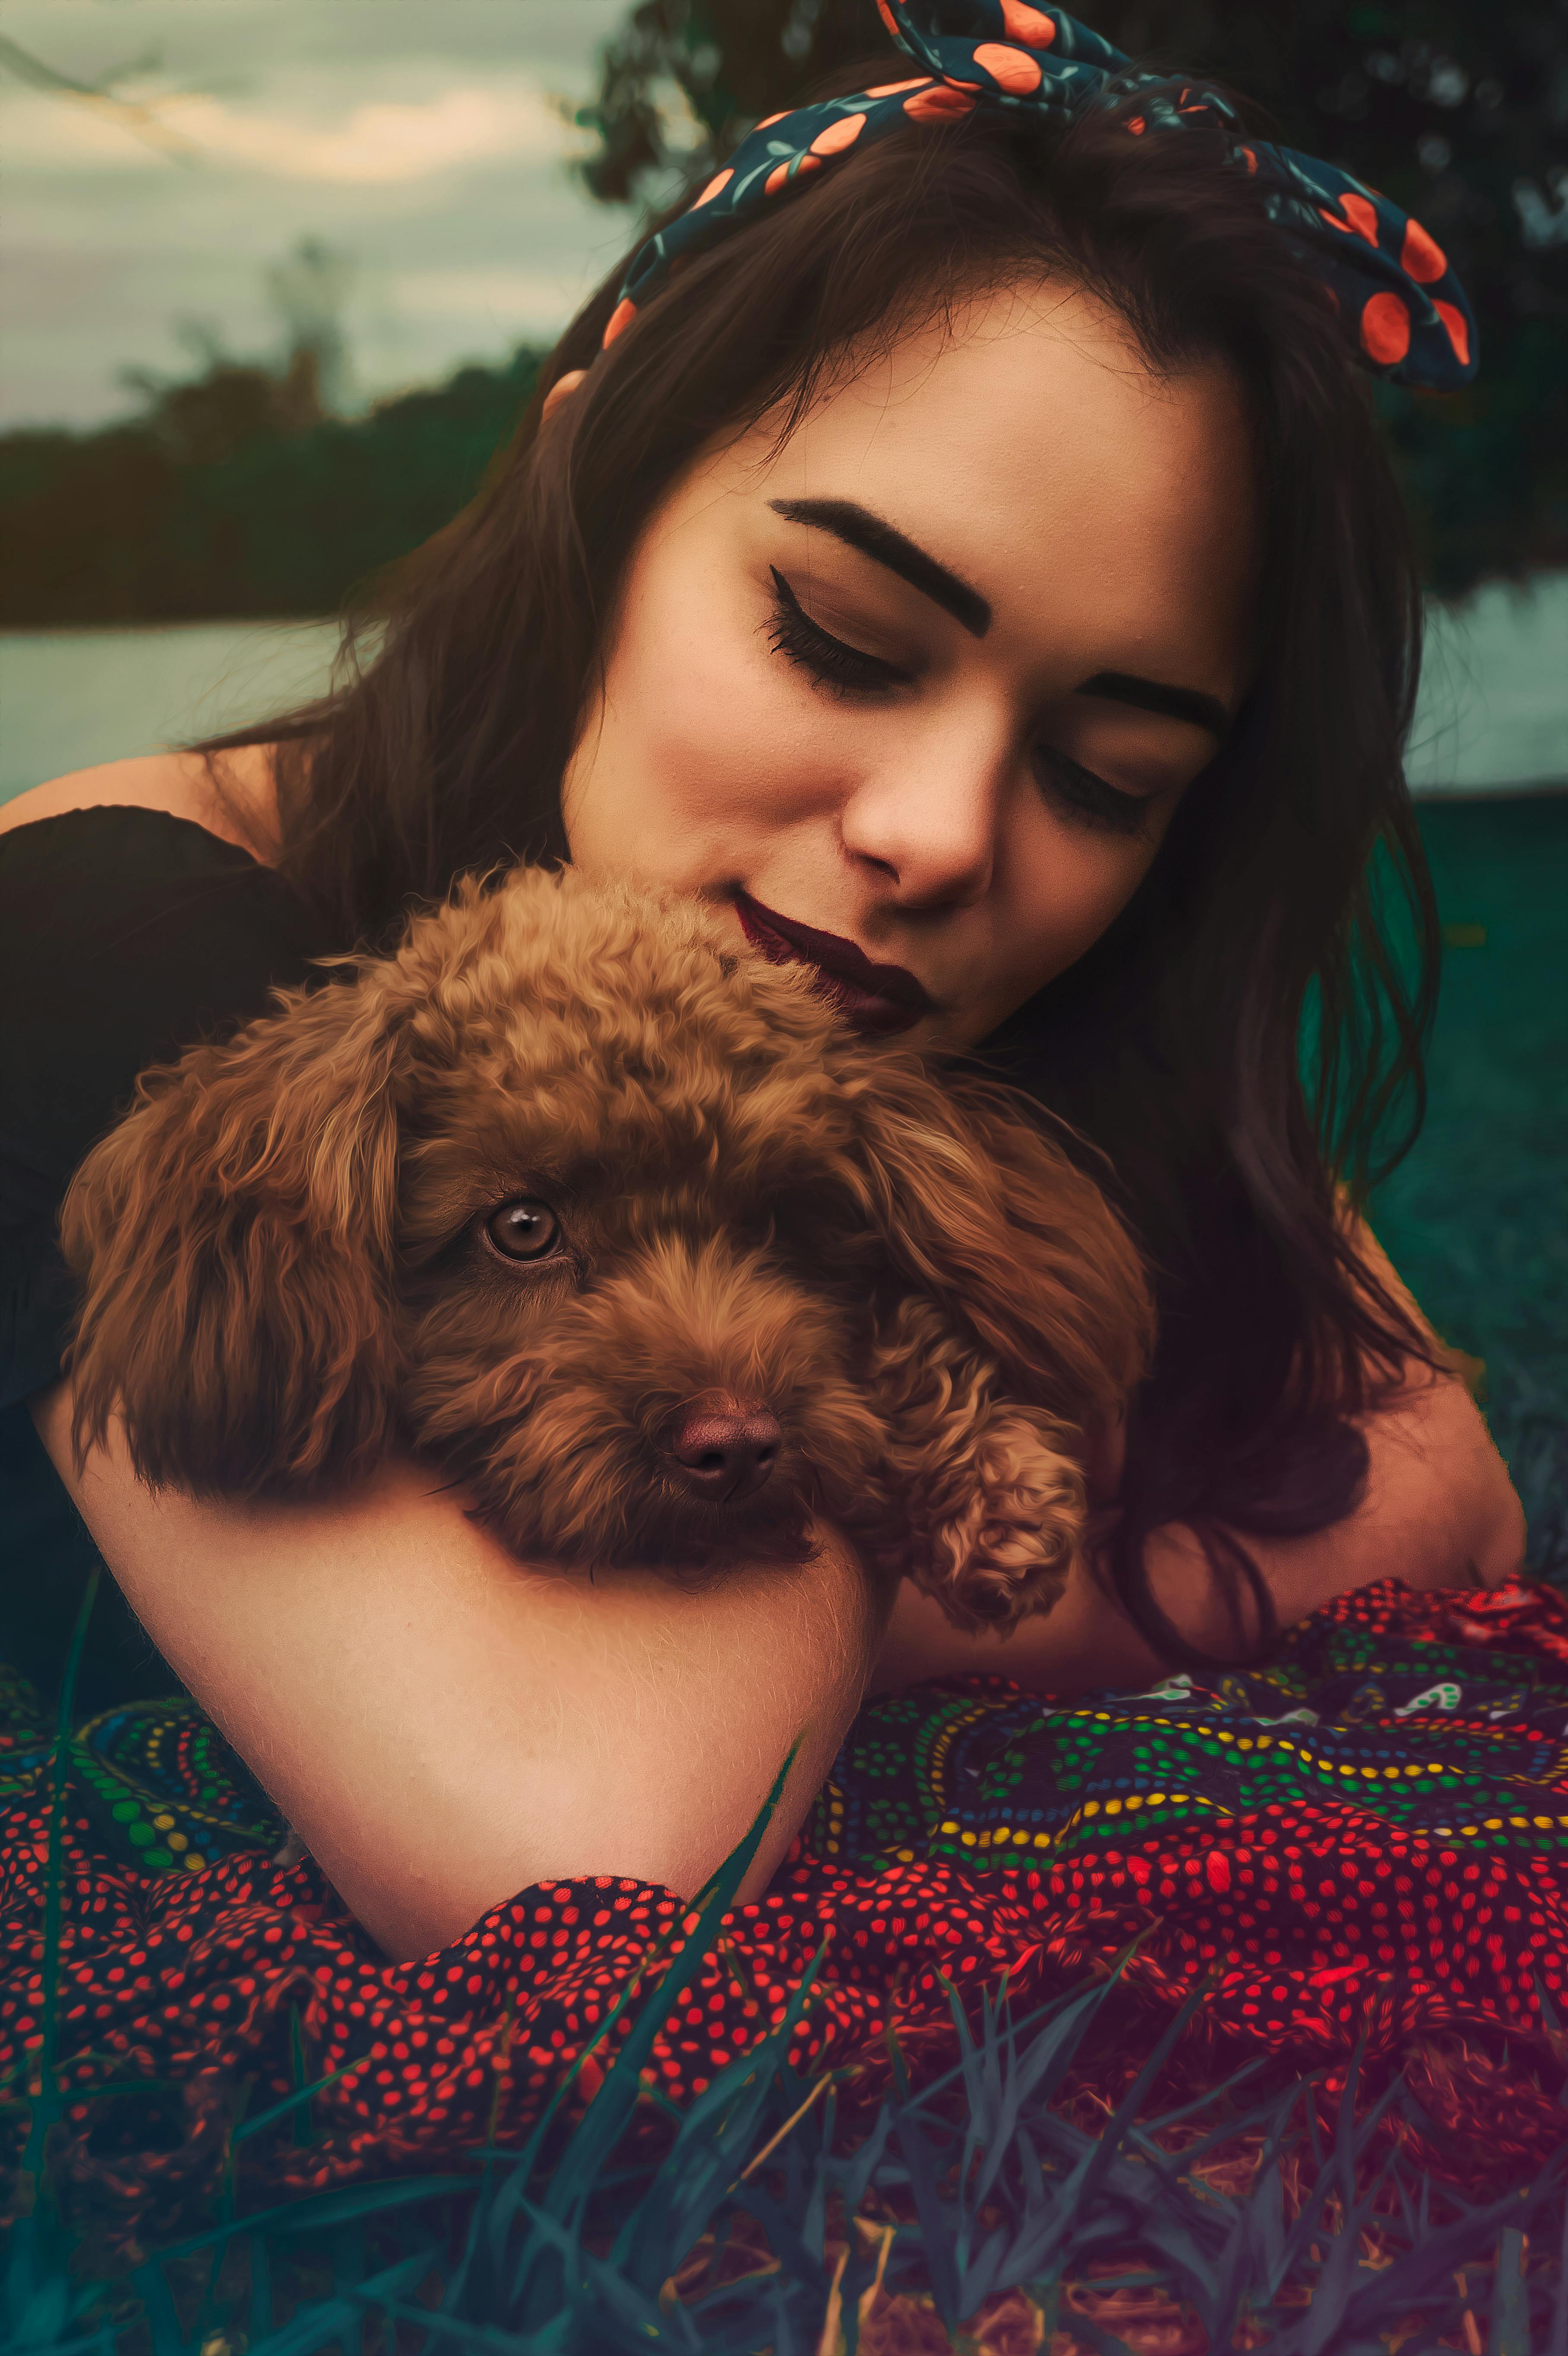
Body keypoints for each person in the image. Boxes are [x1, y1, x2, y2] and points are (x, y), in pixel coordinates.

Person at [0, 0, 1523, 1964]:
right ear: (597, 495)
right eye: (841, 635)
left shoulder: (980, 998)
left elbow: (1438, 1476)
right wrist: (926, 1509)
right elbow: (591, 1845)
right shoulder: (97, 942)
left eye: (1104, 772)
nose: (940, 832)